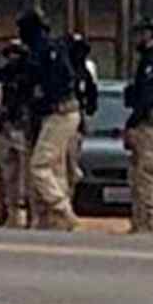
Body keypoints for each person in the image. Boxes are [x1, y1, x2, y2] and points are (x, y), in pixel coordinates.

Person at [0, 9, 81, 231]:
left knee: (39, 166)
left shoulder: (48, 51)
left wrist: (38, 93)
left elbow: (49, 80)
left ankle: (63, 211)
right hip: (51, 115)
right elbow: (13, 72)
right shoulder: (39, 51)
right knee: (52, 168)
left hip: (61, 112)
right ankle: (52, 220)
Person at [123, 17, 153, 234]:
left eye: (143, 34)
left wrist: (133, 122)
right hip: (147, 122)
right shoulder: (147, 61)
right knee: (140, 174)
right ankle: (141, 220)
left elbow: (149, 97)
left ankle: (150, 222)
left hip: (149, 124)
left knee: (147, 174)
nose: (138, 39)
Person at [0, 40, 33, 228]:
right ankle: (11, 214)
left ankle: (29, 216)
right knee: (7, 174)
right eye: (10, 54)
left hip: (24, 130)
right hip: (8, 129)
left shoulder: (29, 78)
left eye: (17, 54)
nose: (12, 58)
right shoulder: (6, 80)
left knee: (27, 177)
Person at [65, 33, 98, 199]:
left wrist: (87, 114)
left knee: (71, 166)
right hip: (60, 123)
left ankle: (68, 198)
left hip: (75, 126)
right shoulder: (62, 69)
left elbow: (92, 98)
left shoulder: (84, 73)